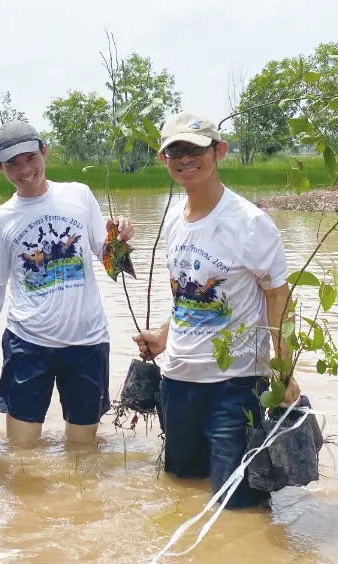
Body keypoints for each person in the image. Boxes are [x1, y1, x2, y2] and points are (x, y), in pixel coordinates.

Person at [130, 113, 302, 506]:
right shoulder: (173, 220)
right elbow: (186, 300)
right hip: (177, 384)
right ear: (164, 159)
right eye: (175, 150)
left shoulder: (250, 223)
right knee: (181, 491)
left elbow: (278, 297)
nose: (185, 159)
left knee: (240, 507)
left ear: (219, 151)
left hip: (236, 386)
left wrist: (284, 370)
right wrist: (162, 335)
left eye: (195, 149)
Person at [0, 120, 131, 447]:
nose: (24, 170)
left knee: (83, 453)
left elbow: (109, 262)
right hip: (27, 344)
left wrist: (120, 241)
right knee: (21, 454)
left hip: (87, 342)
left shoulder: (79, 195)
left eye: (30, 158)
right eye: (12, 163)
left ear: (44, 152)